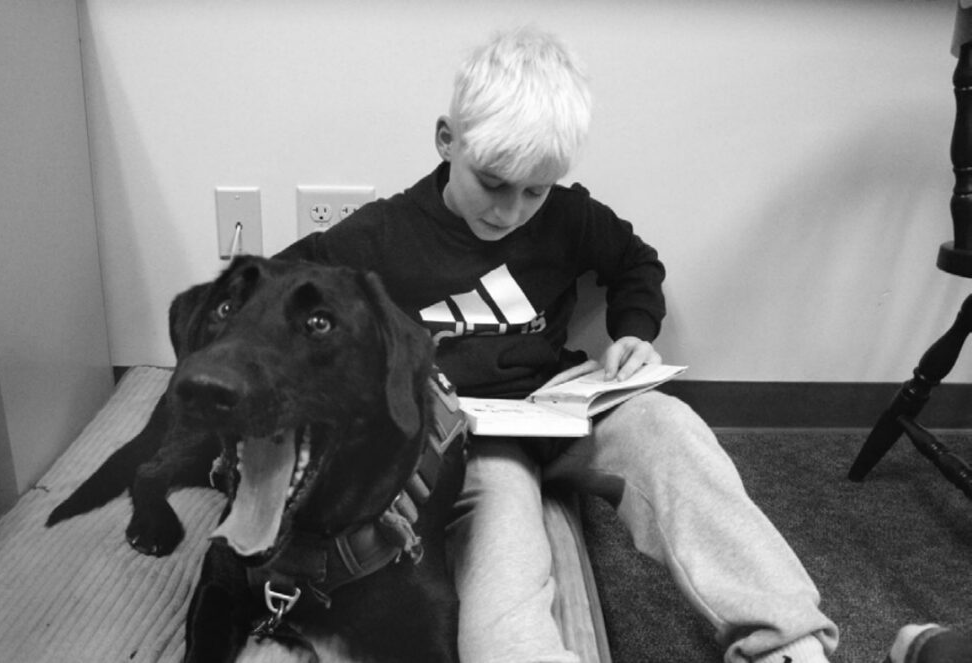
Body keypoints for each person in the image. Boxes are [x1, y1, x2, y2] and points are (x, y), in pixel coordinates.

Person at [275, 26, 839, 663]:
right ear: (447, 140)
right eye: (492, 183)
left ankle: (787, 642)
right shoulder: (380, 235)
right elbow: (271, 299)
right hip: (468, 437)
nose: (510, 212)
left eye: (534, 191)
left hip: (561, 404)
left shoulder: (568, 216)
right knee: (504, 555)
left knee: (670, 427)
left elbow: (635, 262)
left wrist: (634, 331)